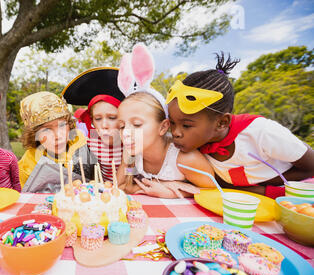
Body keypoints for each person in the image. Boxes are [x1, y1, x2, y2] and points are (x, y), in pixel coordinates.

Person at [165, 52, 314, 198]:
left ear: (222, 123)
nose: (175, 133)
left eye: (186, 125)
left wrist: (260, 189)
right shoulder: (196, 146)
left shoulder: (261, 132)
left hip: (296, 198)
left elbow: (311, 167)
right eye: (172, 122)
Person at [116, 44, 216, 198]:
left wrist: (175, 192)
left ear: (163, 127)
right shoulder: (132, 155)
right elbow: (121, 186)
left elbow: (215, 190)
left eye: (137, 124)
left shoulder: (185, 159)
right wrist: (144, 187)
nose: (126, 133)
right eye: (122, 126)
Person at [18, 91, 98, 193]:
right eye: (47, 130)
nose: (57, 136)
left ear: (69, 125)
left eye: (61, 125)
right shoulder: (27, 166)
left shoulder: (83, 145)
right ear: (34, 135)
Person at [62, 67, 124, 183]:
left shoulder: (132, 143)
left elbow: (132, 174)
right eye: (98, 118)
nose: (104, 125)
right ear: (92, 121)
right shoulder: (90, 145)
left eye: (112, 117)